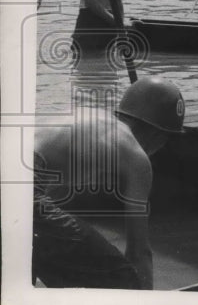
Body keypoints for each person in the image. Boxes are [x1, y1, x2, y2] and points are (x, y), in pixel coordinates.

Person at [32, 76, 185, 289]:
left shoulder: (89, 120)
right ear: (159, 136)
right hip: (28, 185)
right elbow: (139, 251)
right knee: (123, 278)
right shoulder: (136, 155)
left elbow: (47, 221)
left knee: (33, 255)